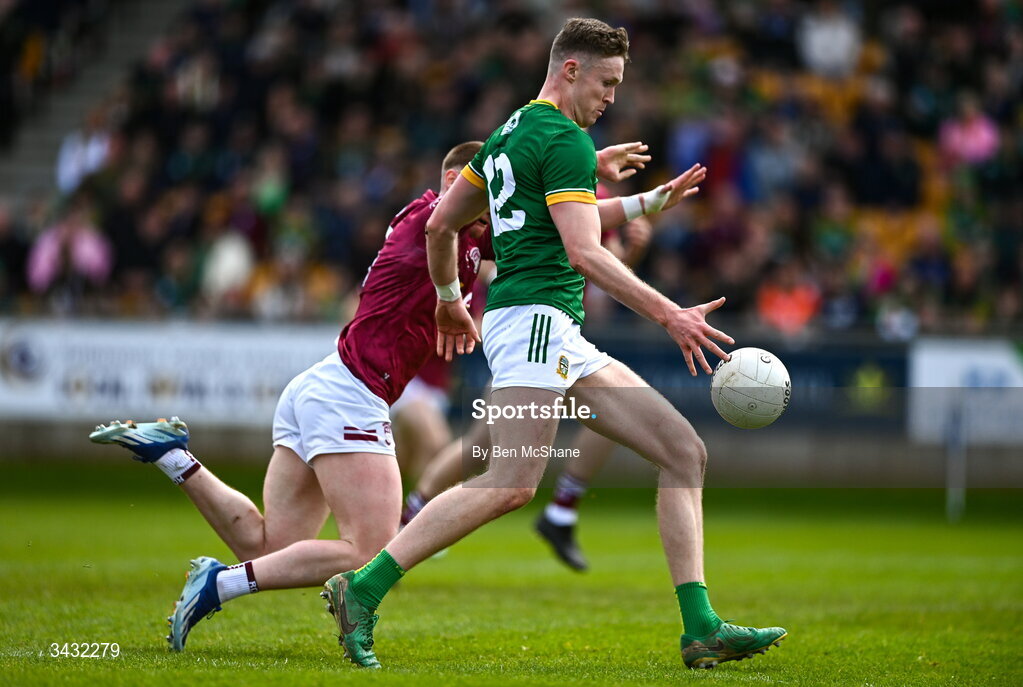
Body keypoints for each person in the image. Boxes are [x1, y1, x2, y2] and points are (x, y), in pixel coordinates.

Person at [322, 18, 786, 671]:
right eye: (606, 82)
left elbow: (441, 224)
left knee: (683, 451)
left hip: (548, 329)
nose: (611, 99)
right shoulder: (563, 139)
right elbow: (581, 250)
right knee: (509, 482)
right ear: (570, 69)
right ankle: (361, 589)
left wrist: (452, 299)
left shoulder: (512, 130)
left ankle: (700, 626)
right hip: (536, 323)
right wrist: (668, 314)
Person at [87, 137, 661, 653]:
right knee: (370, 550)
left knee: (269, 546)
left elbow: (549, 229)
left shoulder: (447, 228)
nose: (501, 212)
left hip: (322, 385)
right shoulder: (441, 227)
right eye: (491, 196)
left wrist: (629, 197)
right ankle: (219, 585)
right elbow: (528, 233)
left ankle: (175, 457)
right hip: (351, 395)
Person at [401, 211, 655, 572]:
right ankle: (411, 515)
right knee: (482, 448)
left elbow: (603, 267)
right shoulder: (550, 184)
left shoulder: (592, 199)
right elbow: (496, 249)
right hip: (528, 329)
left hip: (561, 332)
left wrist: (632, 252)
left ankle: (562, 510)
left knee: (617, 413)